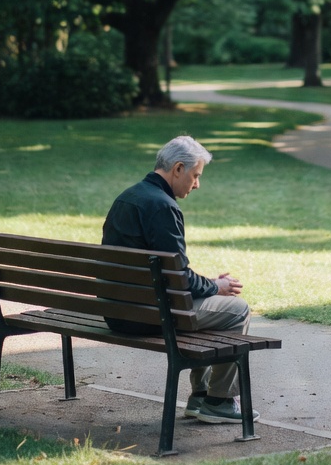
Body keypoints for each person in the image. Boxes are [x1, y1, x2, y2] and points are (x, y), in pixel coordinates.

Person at [101, 134, 258, 426]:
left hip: (118, 311)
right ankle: (219, 400)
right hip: (147, 315)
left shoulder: (128, 196)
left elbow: (173, 274)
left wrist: (210, 285)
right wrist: (218, 286)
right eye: (195, 176)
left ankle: (201, 395)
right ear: (177, 169)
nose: (197, 184)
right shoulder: (163, 206)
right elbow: (179, 280)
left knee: (209, 304)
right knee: (237, 310)